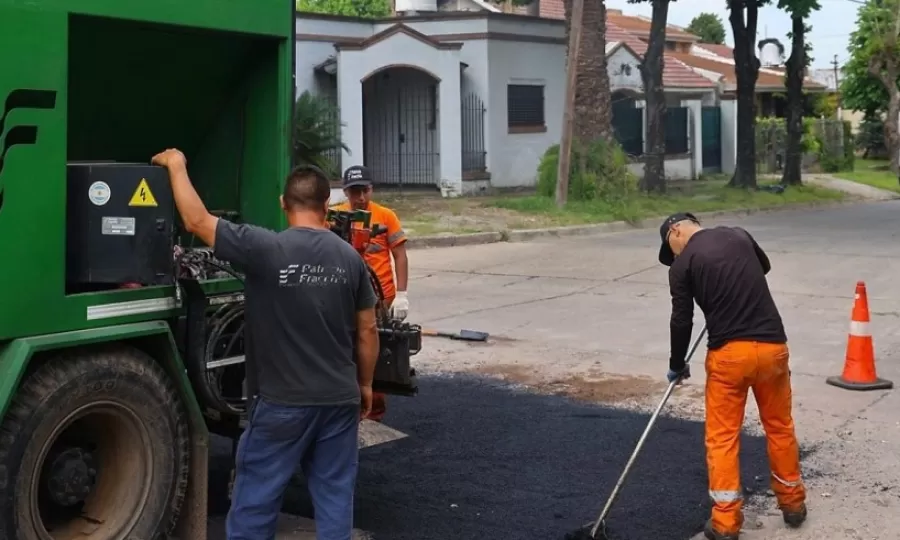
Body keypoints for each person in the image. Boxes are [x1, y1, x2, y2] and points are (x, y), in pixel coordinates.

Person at [150, 149, 380, 540]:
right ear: (327, 205)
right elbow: (368, 330)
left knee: (256, 501)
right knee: (336, 497)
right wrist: (365, 385)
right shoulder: (350, 259)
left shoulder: (265, 249)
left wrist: (176, 165)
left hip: (281, 403)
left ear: (282, 204)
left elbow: (196, 221)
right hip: (339, 401)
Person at [657, 212, 807, 540]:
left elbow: (681, 320)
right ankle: (793, 504)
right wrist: (729, 293)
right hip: (772, 348)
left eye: (672, 248)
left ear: (676, 229)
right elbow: (761, 268)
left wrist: (677, 363)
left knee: (723, 437)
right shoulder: (739, 235)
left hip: (729, 357)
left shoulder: (683, 267)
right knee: (780, 426)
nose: (676, 257)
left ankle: (726, 525)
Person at [330, 164, 409, 423]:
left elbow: (399, 255)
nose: (360, 197)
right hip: (343, 300)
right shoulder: (334, 217)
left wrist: (402, 293)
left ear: (371, 189)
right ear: (346, 193)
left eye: (364, 191)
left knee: (376, 353)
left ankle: (374, 412)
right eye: (354, 192)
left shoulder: (386, 217)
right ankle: (346, 407)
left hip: (379, 300)